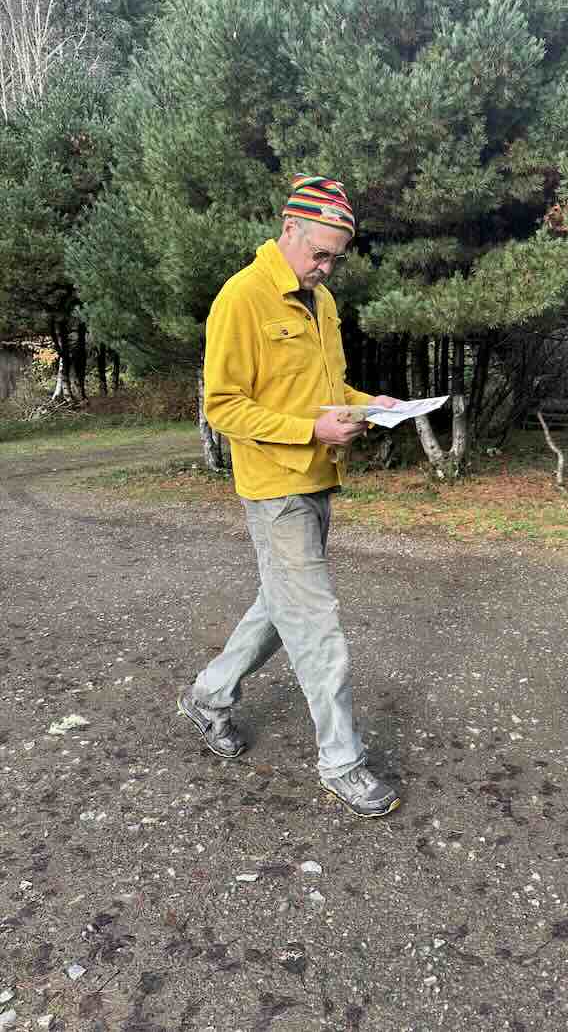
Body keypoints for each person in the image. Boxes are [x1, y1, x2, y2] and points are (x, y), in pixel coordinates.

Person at [177, 175, 401, 819]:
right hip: (275, 487)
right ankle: (343, 762)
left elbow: (325, 392)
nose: (325, 267)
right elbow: (224, 405)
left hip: (317, 477)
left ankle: (208, 696)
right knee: (316, 623)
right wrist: (311, 431)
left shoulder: (320, 301)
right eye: (319, 253)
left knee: (282, 606)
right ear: (288, 229)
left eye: (336, 258)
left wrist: (369, 404)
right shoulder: (242, 297)